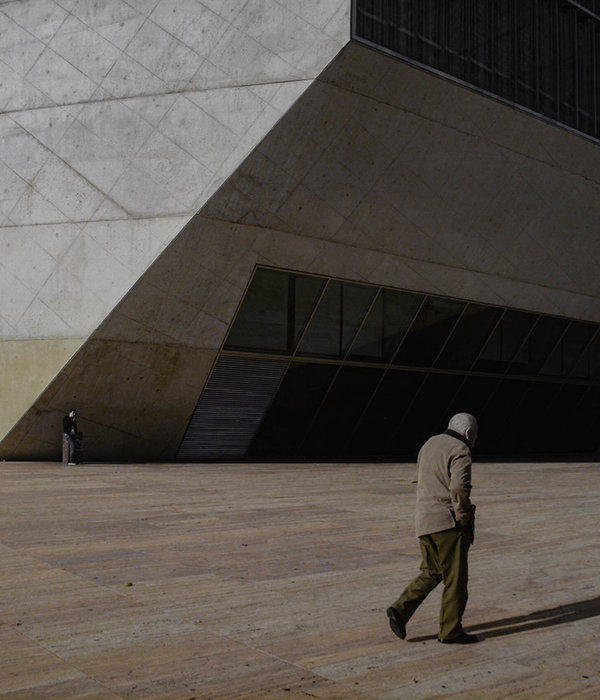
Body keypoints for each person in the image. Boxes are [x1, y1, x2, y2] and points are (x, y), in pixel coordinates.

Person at [387, 413, 479, 644]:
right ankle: (450, 631)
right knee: (455, 580)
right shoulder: (461, 449)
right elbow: (458, 488)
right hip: (447, 524)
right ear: (469, 433)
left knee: (432, 571)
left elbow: (420, 480)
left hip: (423, 521)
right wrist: (464, 517)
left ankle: (400, 610)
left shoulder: (429, 444)